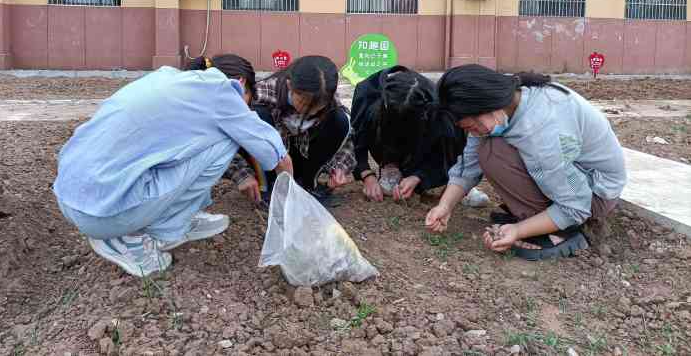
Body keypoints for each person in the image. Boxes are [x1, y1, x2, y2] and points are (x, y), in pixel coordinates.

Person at [54, 55, 292, 277]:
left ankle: (177, 222)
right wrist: (292, 205)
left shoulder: (167, 78)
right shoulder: (222, 91)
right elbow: (275, 152)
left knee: (196, 141)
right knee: (226, 141)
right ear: (241, 83)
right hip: (104, 213)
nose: (246, 108)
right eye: (248, 101)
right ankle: (131, 239)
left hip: (74, 195)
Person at [426, 64, 626, 261]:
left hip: (594, 195)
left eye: (471, 127)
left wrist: (518, 230)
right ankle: (541, 218)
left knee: (494, 153)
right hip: (572, 175)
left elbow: (576, 206)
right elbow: (468, 164)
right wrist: (445, 205)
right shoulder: (509, 100)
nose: (472, 133)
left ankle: (564, 230)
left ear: (485, 106)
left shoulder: (541, 132)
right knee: (488, 147)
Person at [226, 55, 355, 207]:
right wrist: (242, 175)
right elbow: (227, 139)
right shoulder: (261, 95)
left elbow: (346, 139)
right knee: (259, 116)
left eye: (317, 108)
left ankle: (307, 183)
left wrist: (340, 167)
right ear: (289, 85)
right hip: (270, 164)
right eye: (303, 103)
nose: (310, 112)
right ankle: (269, 187)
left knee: (340, 120)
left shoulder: (328, 100)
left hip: (300, 160)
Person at [350, 66, 488, 206]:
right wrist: (366, 174)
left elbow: (450, 149)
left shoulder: (438, 105)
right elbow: (357, 139)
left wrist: (419, 176)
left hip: (422, 144)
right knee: (381, 129)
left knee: (443, 150)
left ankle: (455, 182)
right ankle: (391, 166)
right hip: (384, 139)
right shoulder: (368, 93)